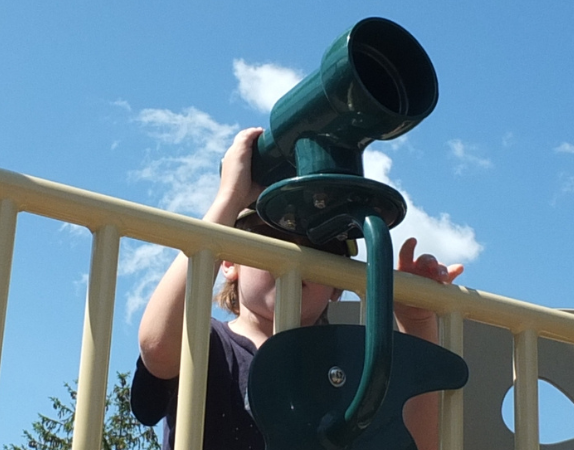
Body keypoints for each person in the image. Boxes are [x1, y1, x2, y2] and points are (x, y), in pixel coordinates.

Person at [131, 127, 464, 450]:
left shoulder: (349, 366)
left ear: (337, 285)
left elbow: (417, 441)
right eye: (271, 237)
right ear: (228, 262)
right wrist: (229, 200)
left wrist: (417, 320)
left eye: (321, 248)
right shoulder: (211, 344)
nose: (294, 254)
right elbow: (157, 346)